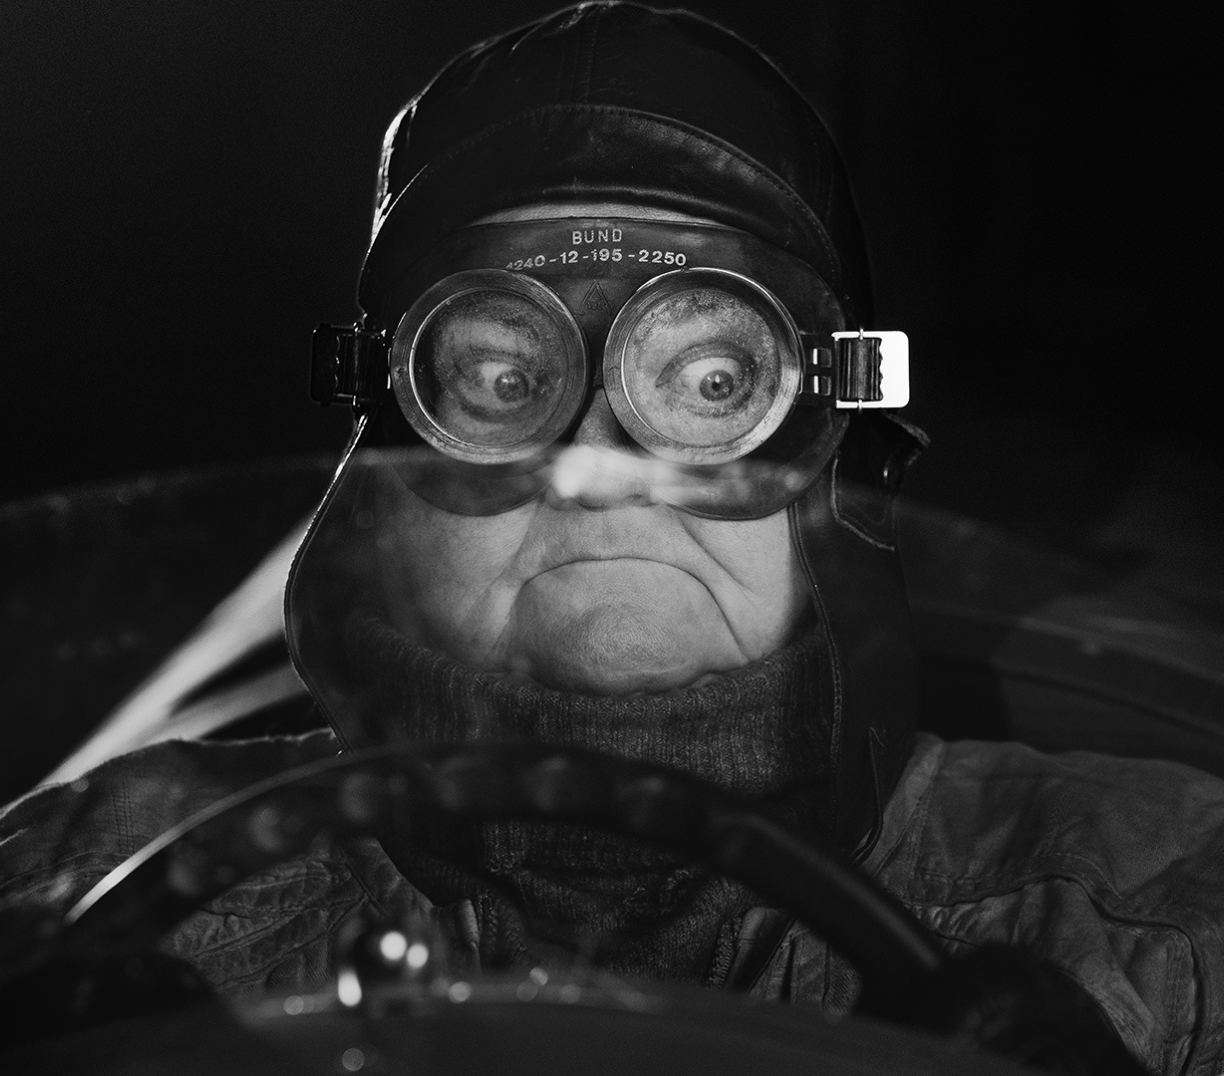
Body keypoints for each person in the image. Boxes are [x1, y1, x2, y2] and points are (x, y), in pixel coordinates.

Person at [1, 5, 1222, 1074]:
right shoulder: (78, 891)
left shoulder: (1175, 928)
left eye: (712, 383)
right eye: (501, 379)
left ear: (841, 452)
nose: (597, 469)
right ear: (381, 465)